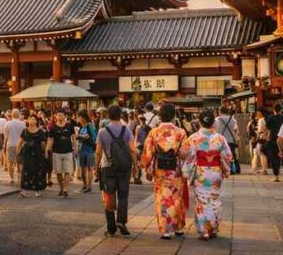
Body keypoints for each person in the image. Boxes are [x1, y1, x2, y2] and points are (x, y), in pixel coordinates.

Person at [140, 103, 189, 240]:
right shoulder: (181, 132)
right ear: (174, 116)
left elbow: (148, 153)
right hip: (176, 171)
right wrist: (175, 151)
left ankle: (165, 229)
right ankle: (178, 227)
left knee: (162, 199)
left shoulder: (154, 132)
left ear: (160, 116)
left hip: (160, 170)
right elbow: (185, 153)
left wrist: (144, 166)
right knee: (176, 198)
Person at [183, 109, 232, 240]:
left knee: (202, 201)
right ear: (213, 123)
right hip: (216, 172)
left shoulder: (193, 138)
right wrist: (225, 170)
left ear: (199, 122)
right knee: (215, 199)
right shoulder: (220, 138)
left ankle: (205, 230)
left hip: (201, 173)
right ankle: (214, 228)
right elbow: (228, 156)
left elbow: (188, 156)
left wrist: (186, 172)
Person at [95, 104, 137, 237]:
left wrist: (96, 168)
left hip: (107, 167)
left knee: (109, 194)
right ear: (121, 115)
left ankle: (111, 227)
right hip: (124, 167)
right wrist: (136, 165)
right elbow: (132, 149)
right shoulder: (127, 130)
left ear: (108, 115)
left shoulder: (102, 131)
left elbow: (97, 152)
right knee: (123, 195)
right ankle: (121, 222)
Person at [46, 110, 76, 198]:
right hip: (56, 152)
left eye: (61, 115)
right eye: (58, 115)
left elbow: (73, 137)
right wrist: (48, 149)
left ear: (64, 116)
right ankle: (62, 188)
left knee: (67, 171)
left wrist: (75, 148)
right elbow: (50, 139)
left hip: (68, 151)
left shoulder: (69, 126)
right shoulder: (53, 128)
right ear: (56, 116)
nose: (59, 116)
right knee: (58, 173)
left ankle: (66, 189)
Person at [17, 114, 48, 197]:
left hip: (37, 154)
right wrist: (18, 151)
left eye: (34, 119)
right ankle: (24, 190)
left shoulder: (41, 131)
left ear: (36, 121)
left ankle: (37, 191)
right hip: (27, 154)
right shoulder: (25, 131)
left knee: (37, 171)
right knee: (25, 171)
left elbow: (43, 144)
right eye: (31, 119)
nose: (32, 121)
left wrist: (45, 153)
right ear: (28, 121)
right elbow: (20, 142)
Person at [263, 103, 283, 182]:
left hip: (273, 139)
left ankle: (276, 175)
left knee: (274, 157)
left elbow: (266, 129)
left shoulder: (270, 118)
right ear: (281, 109)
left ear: (273, 110)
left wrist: (266, 138)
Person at [4, 109, 26, 187]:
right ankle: (20, 177)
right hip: (21, 145)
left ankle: (11, 178)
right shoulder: (23, 124)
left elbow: (5, 136)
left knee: (10, 162)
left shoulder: (8, 124)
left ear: (12, 115)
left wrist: (4, 145)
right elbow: (25, 136)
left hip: (11, 144)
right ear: (19, 114)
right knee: (20, 162)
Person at [213, 106, 239, 174]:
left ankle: (223, 169)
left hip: (220, 140)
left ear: (220, 111)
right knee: (231, 155)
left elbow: (214, 130)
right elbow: (236, 130)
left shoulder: (217, 120)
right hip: (231, 140)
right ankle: (234, 169)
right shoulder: (233, 120)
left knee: (221, 155)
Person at [76, 110, 97, 193]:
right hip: (82, 150)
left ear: (83, 118)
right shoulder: (82, 127)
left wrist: (81, 137)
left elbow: (93, 137)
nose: (78, 119)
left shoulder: (89, 126)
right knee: (83, 168)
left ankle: (89, 186)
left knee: (90, 168)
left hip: (89, 150)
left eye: (79, 117)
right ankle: (85, 185)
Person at [248, 110, 267, 174]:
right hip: (263, 138)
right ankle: (255, 168)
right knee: (256, 152)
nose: (257, 115)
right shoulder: (265, 119)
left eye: (258, 113)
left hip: (260, 138)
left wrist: (257, 135)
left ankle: (263, 169)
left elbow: (260, 130)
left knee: (261, 153)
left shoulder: (261, 120)